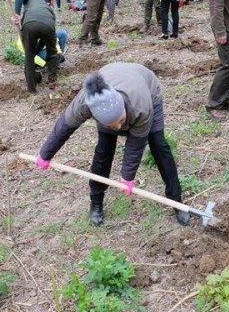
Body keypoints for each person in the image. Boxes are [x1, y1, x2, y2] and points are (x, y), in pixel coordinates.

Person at [35, 63, 189, 226]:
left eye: (121, 121)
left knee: (159, 146)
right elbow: (64, 127)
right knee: (104, 150)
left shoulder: (141, 107)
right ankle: (96, 202)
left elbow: (136, 144)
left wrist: (127, 177)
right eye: (111, 125)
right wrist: (46, 154)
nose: (118, 128)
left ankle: (176, 201)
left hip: (148, 91)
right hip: (114, 84)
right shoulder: (86, 103)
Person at [13, 0, 68, 92]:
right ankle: (52, 81)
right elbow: (44, 39)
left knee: (28, 56)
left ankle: (32, 89)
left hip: (30, 24)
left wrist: (17, 14)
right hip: (48, 24)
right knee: (52, 53)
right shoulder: (48, 7)